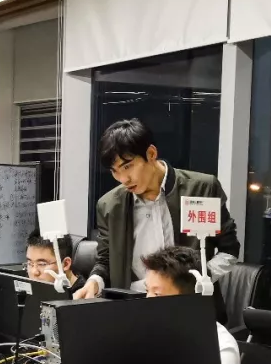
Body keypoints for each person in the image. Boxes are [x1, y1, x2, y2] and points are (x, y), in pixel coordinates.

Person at [75, 119, 239, 299]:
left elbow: (229, 250)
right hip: (134, 303)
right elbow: (105, 259)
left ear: (151, 153)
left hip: (190, 303)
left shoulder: (202, 190)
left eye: (127, 166)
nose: (123, 179)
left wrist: (198, 281)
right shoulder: (109, 206)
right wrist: (94, 282)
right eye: (115, 171)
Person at [140, 246, 240, 364]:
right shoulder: (148, 332)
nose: (147, 301)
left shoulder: (220, 341)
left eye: (156, 294)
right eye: (146, 291)